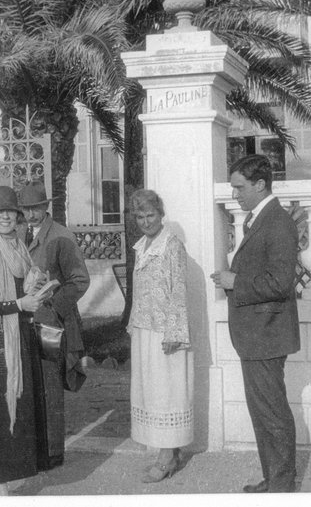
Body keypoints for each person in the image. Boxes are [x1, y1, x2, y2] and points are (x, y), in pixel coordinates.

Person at [210, 154, 301, 493]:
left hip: (267, 336)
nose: (234, 194)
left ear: (261, 184)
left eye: (239, 187)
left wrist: (236, 282)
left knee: (272, 414)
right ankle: (274, 480)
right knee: (263, 413)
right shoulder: (260, 219)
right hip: (257, 335)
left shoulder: (277, 221)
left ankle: (281, 489)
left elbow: (280, 283)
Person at [0, 185, 47, 496]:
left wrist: (36, 285)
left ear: (17, 216)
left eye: (10, 211)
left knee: (21, 405)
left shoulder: (20, 249)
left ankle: (12, 473)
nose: (5, 216)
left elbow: (22, 289)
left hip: (21, 338)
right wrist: (18, 304)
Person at [18, 181, 90, 468]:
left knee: (50, 386)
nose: (31, 214)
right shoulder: (19, 235)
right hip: (24, 319)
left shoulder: (61, 236)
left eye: (36, 207)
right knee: (29, 386)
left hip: (51, 323)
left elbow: (80, 281)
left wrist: (55, 304)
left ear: (46, 206)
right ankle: (33, 449)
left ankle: (52, 453)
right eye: (26, 208)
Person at [127, 189, 193, 483]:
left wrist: (175, 332)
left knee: (168, 392)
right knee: (152, 392)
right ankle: (168, 451)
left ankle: (167, 457)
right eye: (139, 216)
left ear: (161, 214)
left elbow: (179, 289)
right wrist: (132, 324)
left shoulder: (171, 245)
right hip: (144, 328)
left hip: (166, 331)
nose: (145, 221)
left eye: (150, 215)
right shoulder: (141, 246)